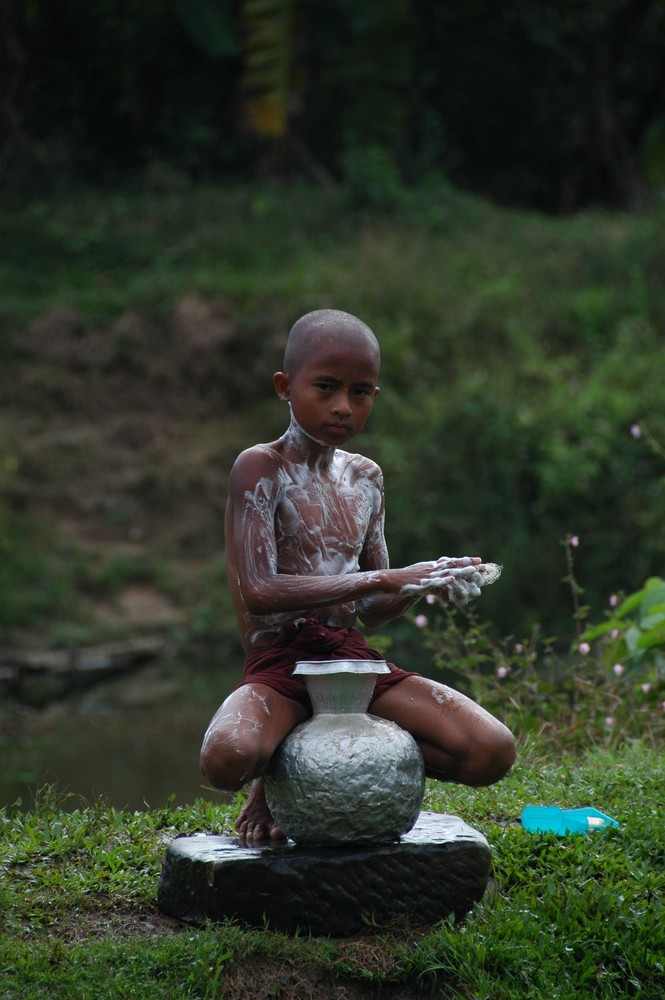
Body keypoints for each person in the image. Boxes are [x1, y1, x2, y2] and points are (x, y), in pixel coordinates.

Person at [200, 309, 515, 842]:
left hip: (350, 662)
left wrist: (424, 580)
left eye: (362, 392)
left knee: (491, 752)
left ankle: (345, 762)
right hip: (283, 661)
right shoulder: (260, 467)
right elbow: (260, 590)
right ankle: (277, 776)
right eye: (326, 387)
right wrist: (383, 580)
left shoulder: (364, 476)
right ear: (285, 387)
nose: (343, 406)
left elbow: (372, 607)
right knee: (226, 760)